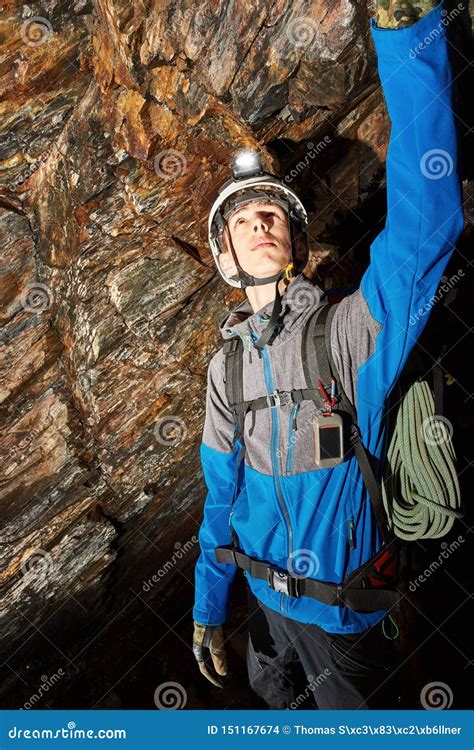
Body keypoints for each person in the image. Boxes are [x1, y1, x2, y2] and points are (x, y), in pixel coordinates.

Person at [192, 0, 464, 710]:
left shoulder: (346, 334)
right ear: (224, 261)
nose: (260, 221)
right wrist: (208, 608)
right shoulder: (226, 370)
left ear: (295, 243)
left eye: (272, 212)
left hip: (347, 623)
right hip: (264, 607)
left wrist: (408, 36)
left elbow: (427, 223)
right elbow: (221, 501)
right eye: (243, 218)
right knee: (274, 704)